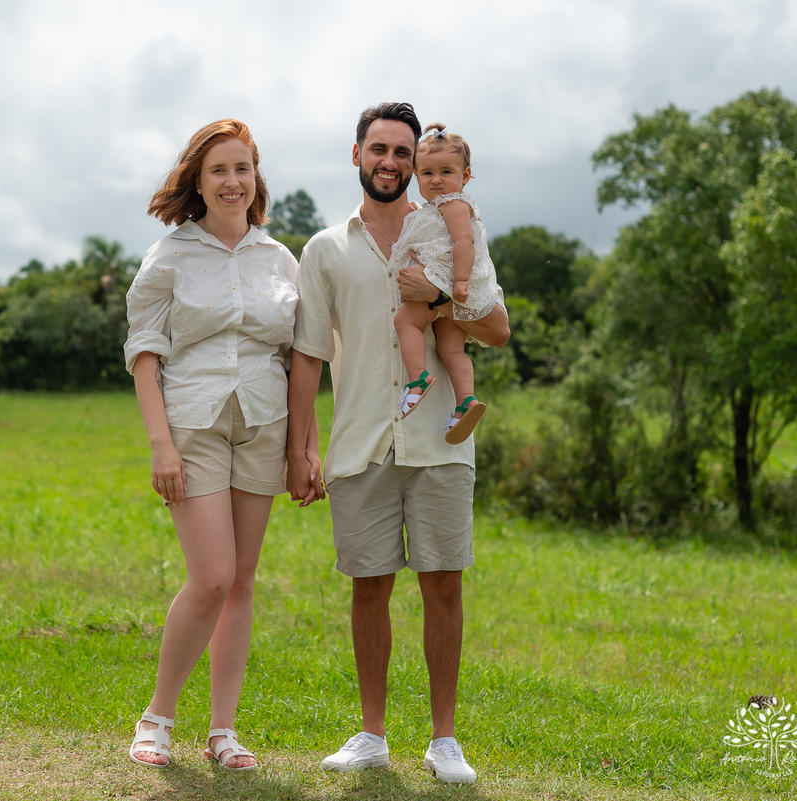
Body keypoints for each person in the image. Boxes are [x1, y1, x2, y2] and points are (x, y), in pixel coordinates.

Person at [285, 102, 509, 784]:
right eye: (377, 149)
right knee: (369, 586)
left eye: (401, 153)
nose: (389, 162)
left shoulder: (450, 229)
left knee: (444, 582)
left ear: (416, 163)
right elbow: (306, 355)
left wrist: (438, 295)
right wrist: (303, 447)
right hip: (360, 442)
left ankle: (445, 741)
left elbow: (497, 329)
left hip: (439, 440)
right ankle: (372, 732)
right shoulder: (324, 249)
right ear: (358, 155)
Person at [123, 119, 317, 771]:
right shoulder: (171, 255)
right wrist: (160, 444)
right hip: (194, 424)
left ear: (256, 178)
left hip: (262, 426)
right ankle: (157, 716)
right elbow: (145, 352)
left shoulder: (280, 259)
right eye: (219, 171)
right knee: (211, 576)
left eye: (243, 168)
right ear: (198, 183)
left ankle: (223, 730)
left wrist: (303, 448)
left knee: (242, 582)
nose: (233, 181)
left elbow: (301, 359)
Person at [391, 123, 499, 445]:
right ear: (416, 177)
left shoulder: (453, 204)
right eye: (427, 174)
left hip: (445, 278)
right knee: (451, 348)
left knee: (405, 320)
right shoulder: (439, 207)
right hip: (458, 288)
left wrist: (460, 283)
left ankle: (417, 379)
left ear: (465, 176)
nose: (436, 180)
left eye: (446, 172)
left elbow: (464, 243)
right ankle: (465, 400)